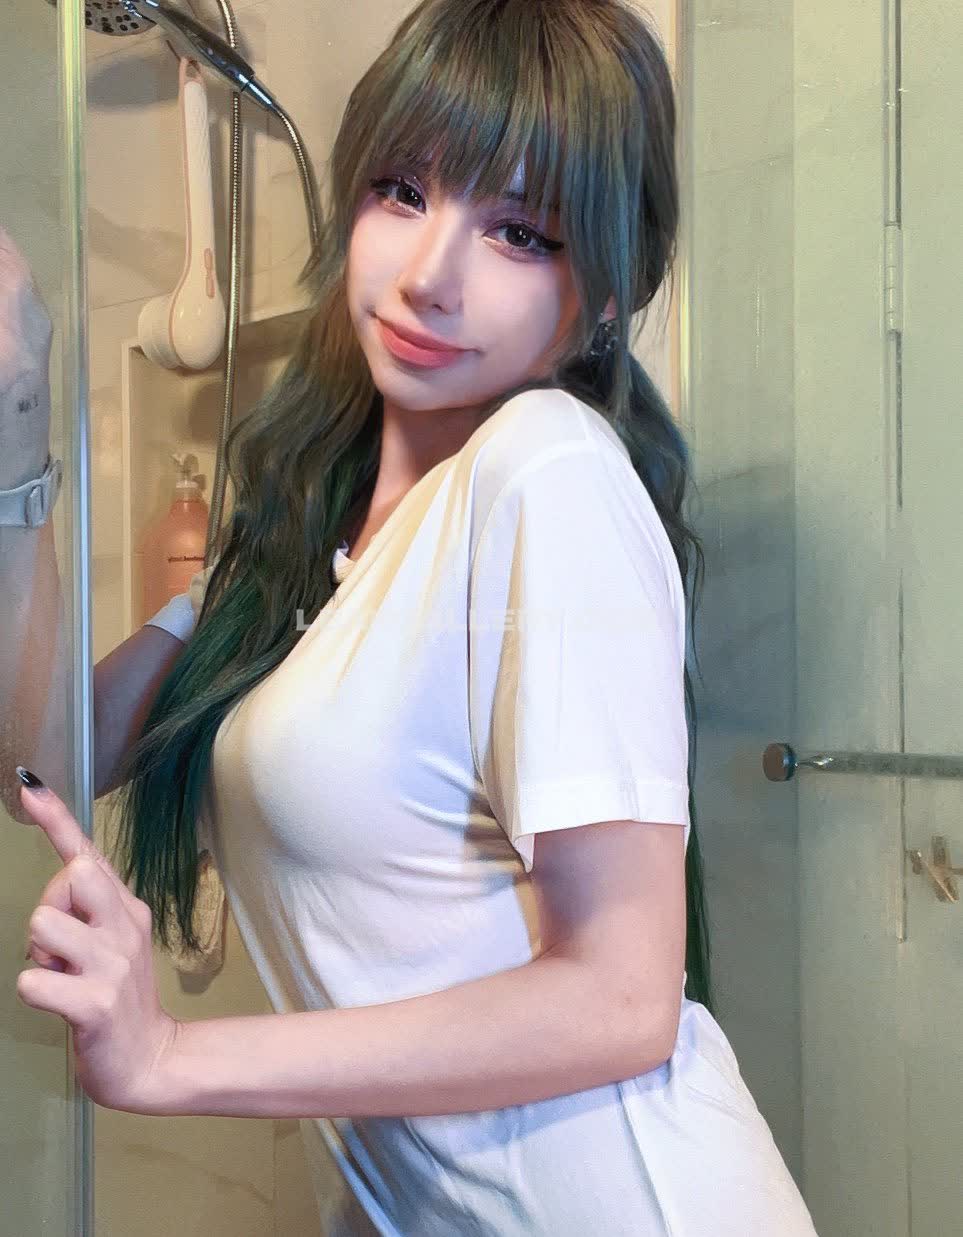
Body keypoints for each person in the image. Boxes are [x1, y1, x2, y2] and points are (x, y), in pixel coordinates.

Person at [2, 0, 819, 1233]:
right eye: (402, 190)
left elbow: (620, 998)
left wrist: (169, 1054)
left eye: (520, 233)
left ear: (606, 295)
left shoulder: (544, 466)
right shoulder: (295, 562)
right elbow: (47, 764)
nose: (430, 275)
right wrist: (18, 426)